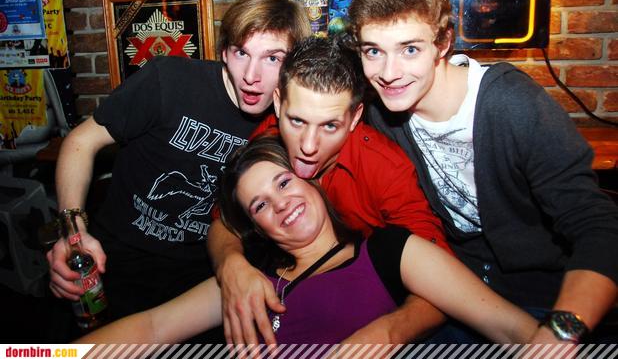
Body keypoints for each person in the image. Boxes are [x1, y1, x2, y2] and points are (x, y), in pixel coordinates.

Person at [348, 0, 618, 343]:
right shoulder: (381, 116)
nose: (389, 73)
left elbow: (599, 227)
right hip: (458, 299)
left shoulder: (510, 103)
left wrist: (559, 333)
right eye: (374, 51)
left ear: (443, 43)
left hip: (549, 299)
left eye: (410, 49)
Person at [75, 135, 540, 345]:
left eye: (283, 183)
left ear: (312, 179)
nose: (279, 204)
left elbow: (511, 328)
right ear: (256, 227)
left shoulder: (387, 251)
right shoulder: (251, 280)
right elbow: (152, 329)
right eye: (260, 205)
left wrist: (390, 332)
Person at [46, 0, 311, 331]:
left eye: (272, 59)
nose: (251, 75)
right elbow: (81, 142)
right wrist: (72, 232)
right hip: (115, 260)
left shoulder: (288, 123)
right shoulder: (169, 80)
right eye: (241, 53)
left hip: (201, 276)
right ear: (224, 51)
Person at [207, 36, 452, 345]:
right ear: (279, 103)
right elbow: (226, 219)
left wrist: (390, 332)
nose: (308, 146)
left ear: (354, 117)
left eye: (329, 126)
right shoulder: (269, 138)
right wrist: (230, 263)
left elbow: (447, 284)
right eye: (297, 121)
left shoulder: (385, 170)